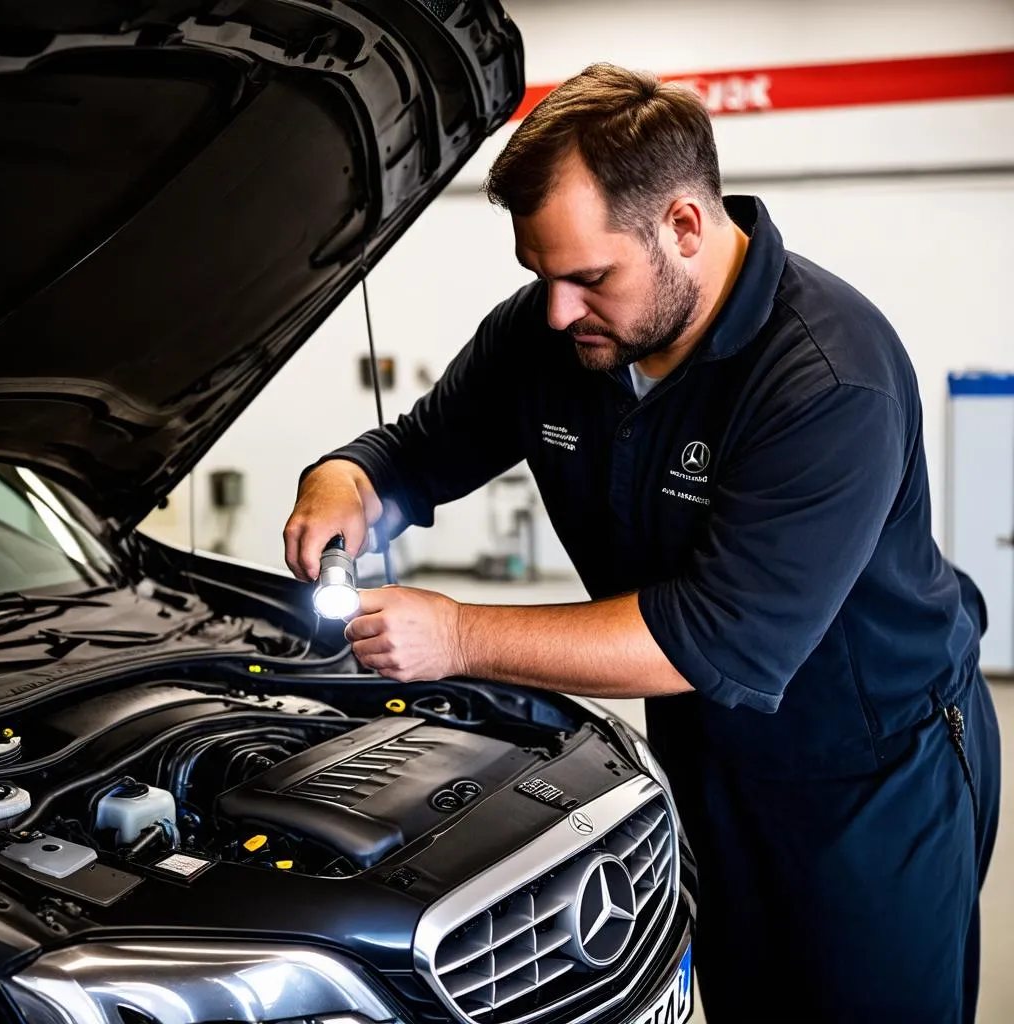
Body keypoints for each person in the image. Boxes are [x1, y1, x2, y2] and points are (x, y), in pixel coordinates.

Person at [283, 63, 1000, 1023]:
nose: (557, 311)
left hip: (868, 779)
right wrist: (346, 478)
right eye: (540, 276)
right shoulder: (552, 339)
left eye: (589, 277)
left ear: (684, 227)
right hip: (706, 757)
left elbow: (716, 638)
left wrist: (457, 636)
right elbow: (415, 452)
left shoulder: (827, 379)